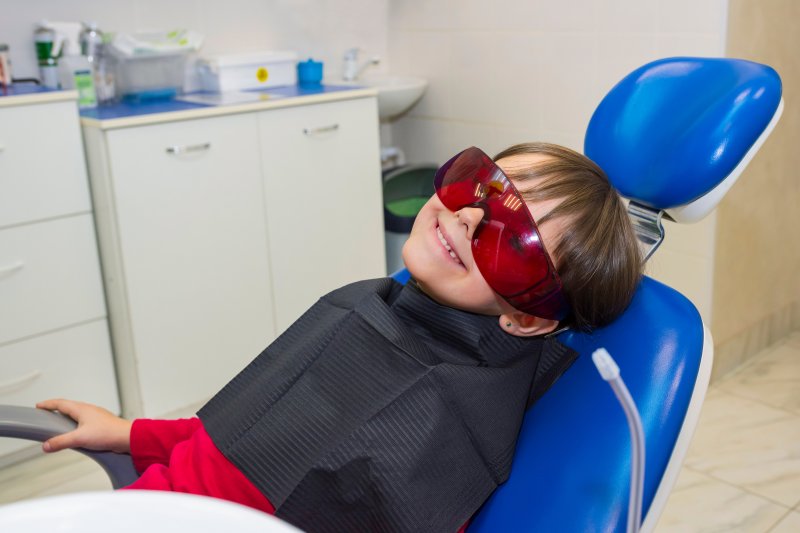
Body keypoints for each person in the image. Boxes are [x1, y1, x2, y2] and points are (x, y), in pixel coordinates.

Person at [37, 143, 642, 532]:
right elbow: (251, 434)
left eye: (514, 242)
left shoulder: (453, 426)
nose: (467, 217)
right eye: (480, 189)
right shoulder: (370, 304)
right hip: (147, 505)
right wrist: (131, 434)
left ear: (529, 319)